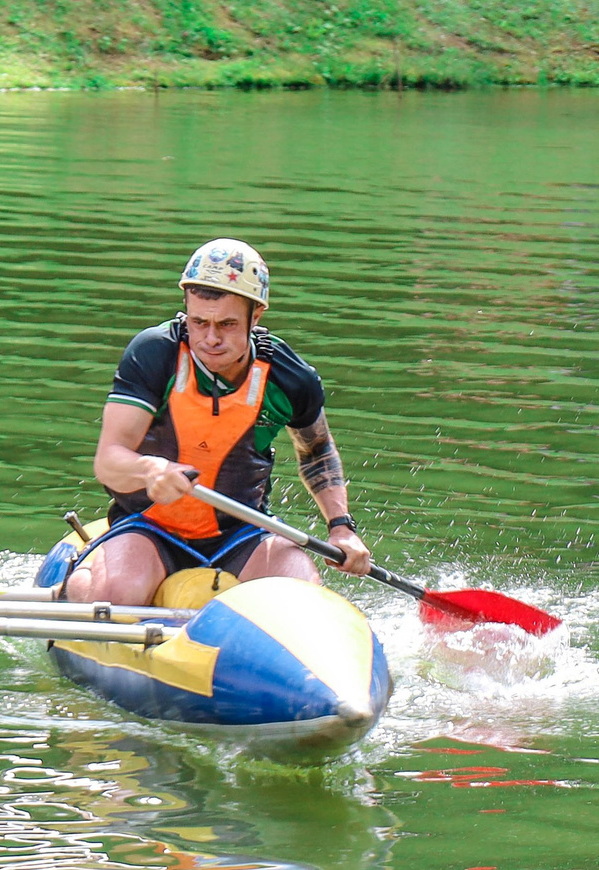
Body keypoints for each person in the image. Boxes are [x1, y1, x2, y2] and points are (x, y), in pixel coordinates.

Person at [60, 239, 373, 609]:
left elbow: (316, 453)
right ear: (186, 311)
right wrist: (150, 469)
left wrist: (342, 528)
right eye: (199, 322)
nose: (210, 339)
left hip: (242, 531)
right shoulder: (154, 354)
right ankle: (78, 583)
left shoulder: (289, 377)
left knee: (303, 593)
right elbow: (109, 460)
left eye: (226, 324)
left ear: (255, 316)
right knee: (118, 596)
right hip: (148, 526)